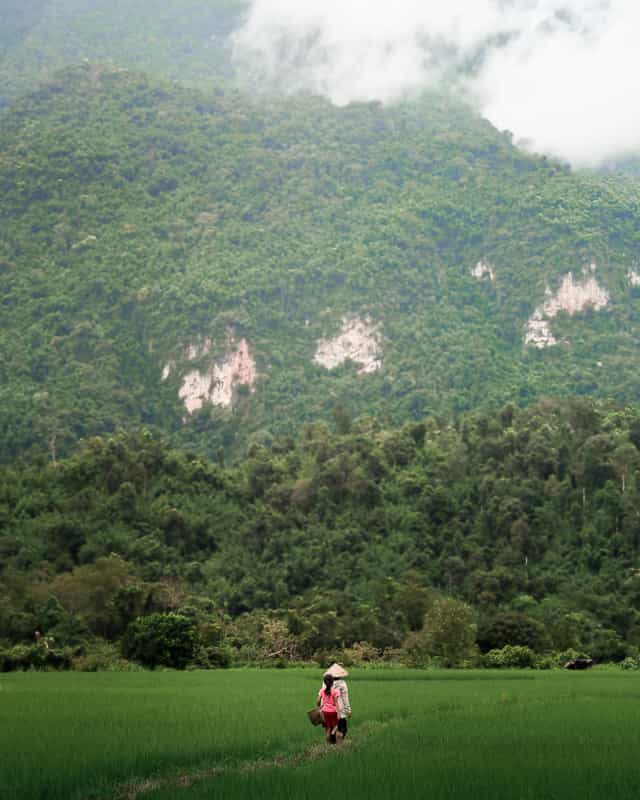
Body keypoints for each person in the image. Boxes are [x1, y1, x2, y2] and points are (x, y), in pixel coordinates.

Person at [324, 663, 351, 744]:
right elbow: (345, 698)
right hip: (339, 711)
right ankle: (339, 748)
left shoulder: (325, 683)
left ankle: (328, 747)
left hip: (326, 711)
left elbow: (322, 698)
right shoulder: (342, 684)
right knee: (340, 729)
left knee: (329, 728)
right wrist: (348, 710)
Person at [317, 673, 340, 744]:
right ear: (332, 682)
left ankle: (327, 744)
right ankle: (333, 734)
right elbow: (336, 703)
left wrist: (319, 706)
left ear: (324, 682)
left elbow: (318, 701)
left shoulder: (322, 691)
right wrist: (338, 713)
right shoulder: (335, 691)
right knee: (336, 725)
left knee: (327, 728)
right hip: (333, 712)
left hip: (324, 712)